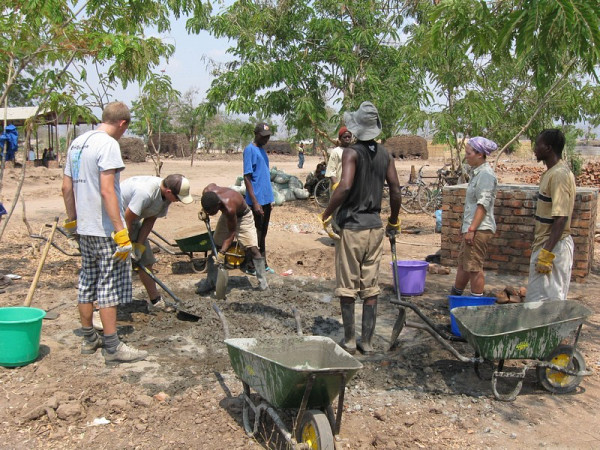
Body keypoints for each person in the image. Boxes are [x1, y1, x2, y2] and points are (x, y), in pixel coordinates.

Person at [62, 101, 147, 364]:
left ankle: (89, 339)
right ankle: (113, 347)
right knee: (108, 284)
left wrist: (73, 220)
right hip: (104, 229)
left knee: (87, 280)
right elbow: (108, 190)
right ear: (122, 123)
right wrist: (121, 232)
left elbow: (66, 188)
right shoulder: (108, 144)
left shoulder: (78, 142)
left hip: (84, 227)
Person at [319, 102, 402, 355]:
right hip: (375, 227)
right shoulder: (385, 154)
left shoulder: (351, 153)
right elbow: (396, 189)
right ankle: (367, 341)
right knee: (370, 285)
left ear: (356, 128)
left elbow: (343, 187)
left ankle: (349, 340)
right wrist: (394, 221)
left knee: (347, 284)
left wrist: (326, 214)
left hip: (353, 227)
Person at [121, 174, 194, 312]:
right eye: (178, 198)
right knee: (115, 264)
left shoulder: (165, 198)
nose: (178, 201)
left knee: (146, 260)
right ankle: (99, 304)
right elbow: (128, 217)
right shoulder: (145, 193)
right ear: (168, 192)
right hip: (117, 220)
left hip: (133, 220)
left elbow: (150, 219)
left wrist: (139, 246)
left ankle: (155, 301)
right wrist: (125, 242)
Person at [525, 129, 576, 302]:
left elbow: (561, 218)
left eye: (537, 145)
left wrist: (546, 253)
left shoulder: (559, 175)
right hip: (545, 244)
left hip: (554, 247)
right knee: (538, 303)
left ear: (548, 148)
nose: (534, 149)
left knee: (545, 305)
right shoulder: (551, 173)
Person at [196, 184, 269, 293]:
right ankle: (210, 282)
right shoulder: (208, 191)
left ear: (218, 204)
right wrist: (204, 210)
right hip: (227, 216)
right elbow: (208, 201)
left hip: (243, 217)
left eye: (211, 212)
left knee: (253, 249)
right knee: (215, 247)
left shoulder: (229, 207)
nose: (210, 214)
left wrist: (222, 252)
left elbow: (231, 233)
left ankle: (263, 285)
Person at [450, 137, 498, 297]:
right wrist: (465, 228)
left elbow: (482, 205)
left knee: (474, 267)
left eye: (469, 153)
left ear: (480, 154)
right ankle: (455, 297)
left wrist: (471, 229)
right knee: (465, 264)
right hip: (473, 228)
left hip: (479, 229)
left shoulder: (485, 175)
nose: (466, 156)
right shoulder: (477, 173)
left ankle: (476, 305)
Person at [243, 122, 275, 274]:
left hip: (266, 199)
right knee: (254, 234)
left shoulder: (262, 150)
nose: (266, 139)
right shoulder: (250, 150)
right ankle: (250, 265)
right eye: (263, 136)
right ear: (256, 134)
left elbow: (264, 175)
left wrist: (270, 199)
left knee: (263, 233)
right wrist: (255, 202)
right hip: (256, 201)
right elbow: (247, 177)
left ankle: (263, 263)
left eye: (268, 137)